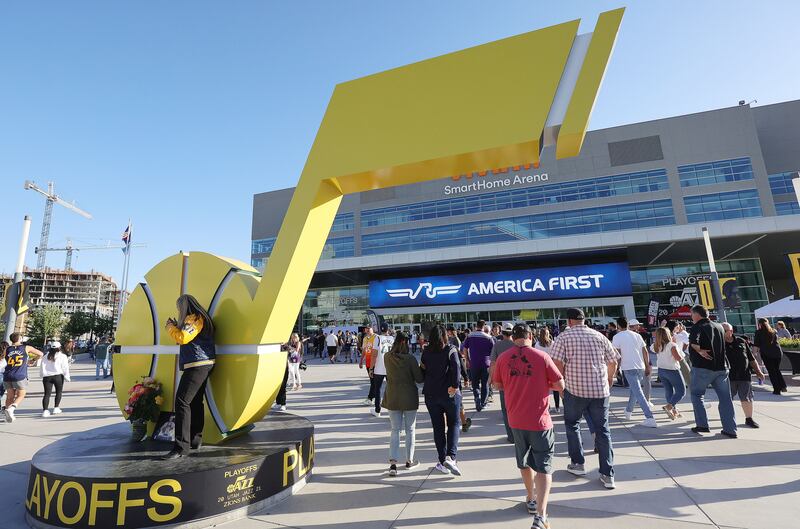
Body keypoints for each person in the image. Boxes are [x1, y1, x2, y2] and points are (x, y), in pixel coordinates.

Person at [493, 324, 563, 529]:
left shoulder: (503, 358)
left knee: (523, 462)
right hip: (540, 421)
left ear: (513, 338)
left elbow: (497, 385)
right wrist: (544, 384)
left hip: (516, 420)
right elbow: (560, 385)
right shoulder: (542, 357)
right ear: (530, 336)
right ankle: (541, 515)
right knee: (543, 467)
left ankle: (530, 497)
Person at [550, 308, 619, 490]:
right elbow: (613, 361)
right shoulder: (599, 336)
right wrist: (610, 378)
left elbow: (556, 363)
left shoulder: (563, 337)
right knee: (603, 430)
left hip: (575, 389)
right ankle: (607, 473)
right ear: (583, 319)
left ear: (569, 321)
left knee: (572, 425)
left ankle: (578, 463)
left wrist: (561, 384)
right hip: (599, 390)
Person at [162, 294, 216, 459]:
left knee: (182, 402)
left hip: (197, 365)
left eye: (179, 307)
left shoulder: (194, 318)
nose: (179, 311)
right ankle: (194, 439)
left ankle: (181, 447)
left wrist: (170, 327)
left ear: (185, 306)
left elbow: (183, 338)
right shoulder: (199, 318)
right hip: (203, 364)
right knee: (194, 402)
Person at [687, 304, 738, 438]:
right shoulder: (719, 326)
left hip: (703, 367)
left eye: (692, 314)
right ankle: (730, 429)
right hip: (722, 367)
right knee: (726, 399)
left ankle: (702, 425)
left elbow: (694, 343)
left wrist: (699, 350)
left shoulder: (698, 326)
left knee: (697, 395)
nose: (691, 317)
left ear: (697, 314)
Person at [421, 324, 462, 476]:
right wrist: (455, 385)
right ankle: (451, 457)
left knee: (438, 428)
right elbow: (456, 367)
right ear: (445, 336)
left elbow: (423, 370)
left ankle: (441, 460)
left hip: (431, 394)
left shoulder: (426, 351)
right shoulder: (450, 349)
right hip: (449, 393)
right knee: (454, 423)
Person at [383, 332, 424, 476]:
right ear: (406, 343)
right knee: (410, 430)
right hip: (409, 397)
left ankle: (393, 463)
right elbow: (419, 379)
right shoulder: (411, 359)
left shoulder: (387, 357)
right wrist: (423, 368)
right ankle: (409, 460)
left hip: (393, 396)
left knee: (395, 430)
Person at [612, 317, 657, 428]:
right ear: (627, 324)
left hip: (628, 366)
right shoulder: (637, 335)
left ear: (618, 325)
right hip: (640, 366)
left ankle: (649, 417)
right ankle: (628, 411)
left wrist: (616, 369)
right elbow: (645, 350)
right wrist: (647, 366)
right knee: (635, 390)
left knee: (637, 391)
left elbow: (617, 354)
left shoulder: (617, 337)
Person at [722, 322, 766, 428]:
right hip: (728, 376)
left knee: (746, 398)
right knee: (727, 399)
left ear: (731, 331)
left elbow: (751, 358)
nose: (721, 332)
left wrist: (759, 371)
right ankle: (727, 419)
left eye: (724, 330)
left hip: (744, 375)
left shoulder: (741, 341)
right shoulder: (719, 344)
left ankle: (749, 419)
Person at [3, 332, 44, 422]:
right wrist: (32, 360)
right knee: (21, 395)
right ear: (20, 339)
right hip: (19, 375)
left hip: (7, 375)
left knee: (10, 396)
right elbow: (41, 354)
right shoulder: (26, 347)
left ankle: (8, 414)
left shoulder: (7, 349)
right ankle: (11, 409)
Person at [489, 322, 516, 443]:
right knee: (517, 408)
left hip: (503, 381)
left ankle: (510, 436)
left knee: (506, 410)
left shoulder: (497, 346)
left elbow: (493, 364)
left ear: (502, 333)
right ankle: (518, 435)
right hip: (517, 380)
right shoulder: (517, 344)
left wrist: (491, 379)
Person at [653, 327, 685, 420]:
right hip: (672, 370)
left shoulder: (656, 345)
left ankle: (674, 411)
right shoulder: (672, 345)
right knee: (681, 392)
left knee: (669, 391)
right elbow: (679, 358)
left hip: (661, 370)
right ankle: (669, 406)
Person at [461, 321, 494, 412]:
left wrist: (467, 360)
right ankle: (483, 403)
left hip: (474, 364)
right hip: (486, 364)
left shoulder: (470, 336)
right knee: (485, 384)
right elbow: (493, 351)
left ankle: (476, 397)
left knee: (475, 384)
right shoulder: (489, 337)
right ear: (484, 326)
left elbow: (464, 348)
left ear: (476, 326)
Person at [753, 318, 788, 395]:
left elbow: (756, 345)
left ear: (760, 324)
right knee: (776, 370)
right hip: (777, 353)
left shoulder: (759, 332)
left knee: (772, 372)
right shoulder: (773, 331)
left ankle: (777, 389)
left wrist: (754, 355)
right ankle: (783, 386)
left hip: (767, 354)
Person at [41, 341, 71, 417]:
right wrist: (67, 376)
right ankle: (56, 408)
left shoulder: (46, 356)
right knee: (59, 392)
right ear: (59, 348)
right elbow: (65, 367)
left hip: (47, 377)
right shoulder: (62, 356)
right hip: (58, 376)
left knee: (47, 394)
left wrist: (42, 375)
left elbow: (42, 367)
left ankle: (45, 410)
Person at [370, 323, 394, 418]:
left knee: (378, 389)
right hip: (390, 368)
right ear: (388, 329)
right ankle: (392, 410)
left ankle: (377, 410)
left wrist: (371, 368)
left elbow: (374, 354)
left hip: (379, 368)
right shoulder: (392, 339)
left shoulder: (378, 338)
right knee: (391, 390)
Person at [534, 327, 560, 412]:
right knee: (555, 389)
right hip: (552, 366)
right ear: (548, 334)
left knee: (545, 389)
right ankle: (557, 407)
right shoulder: (553, 343)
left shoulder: (537, 344)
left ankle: (547, 406)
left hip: (541, 368)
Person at [360, 323, 380, 406]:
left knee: (374, 382)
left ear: (373, 329)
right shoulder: (365, 339)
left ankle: (370, 398)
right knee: (373, 381)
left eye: (369, 328)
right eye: (366, 329)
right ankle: (373, 397)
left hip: (375, 362)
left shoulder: (376, 337)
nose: (367, 330)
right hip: (368, 363)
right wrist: (361, 361)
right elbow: (364, 350)